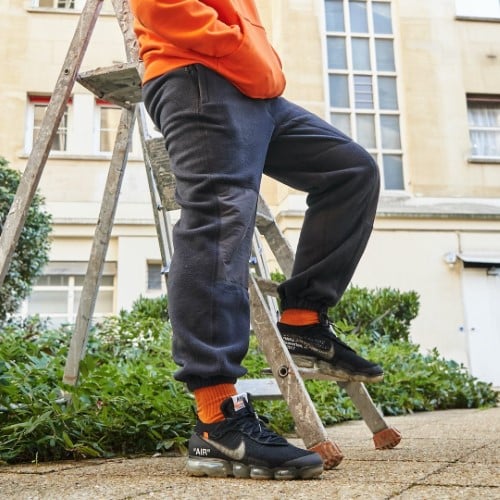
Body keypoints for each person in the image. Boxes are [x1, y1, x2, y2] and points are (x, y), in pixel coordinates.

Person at [130, 0, 383, 481]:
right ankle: (217, 418)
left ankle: (304, 321)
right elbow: (161, 7)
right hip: (197, 76)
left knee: (351, 171)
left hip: (257, 93)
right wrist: (240, 46)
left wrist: (255, 57)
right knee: (221, 222)